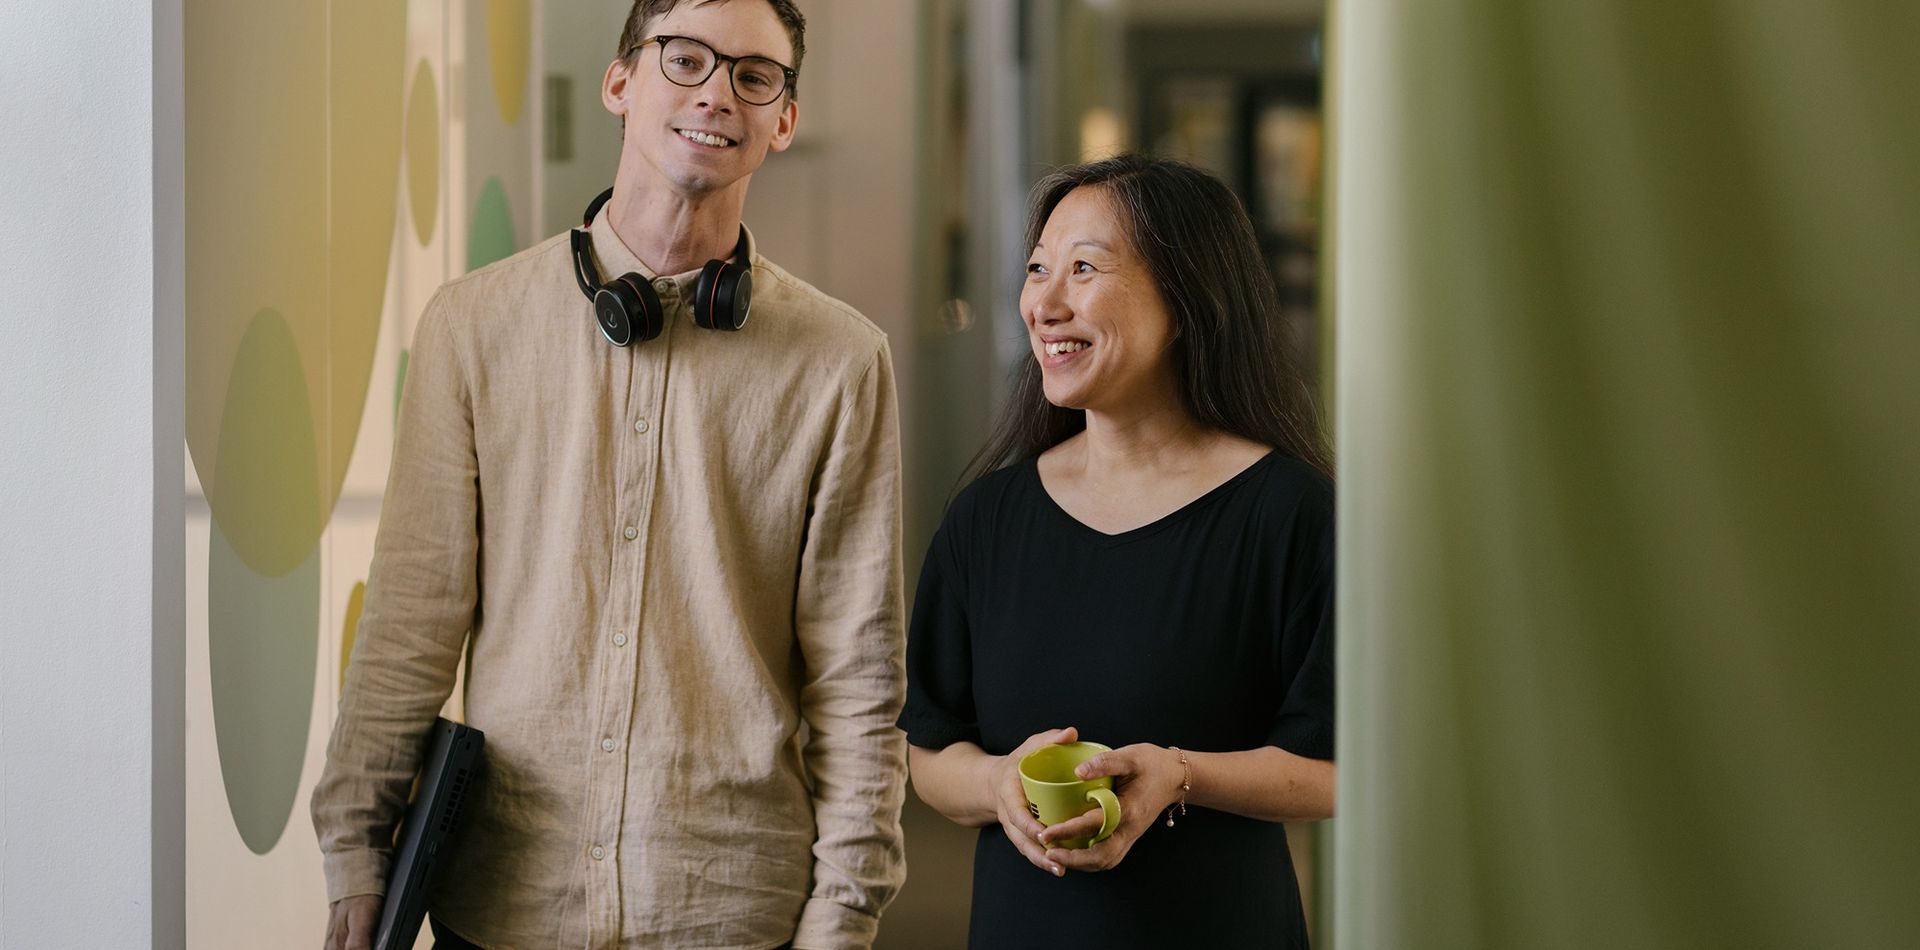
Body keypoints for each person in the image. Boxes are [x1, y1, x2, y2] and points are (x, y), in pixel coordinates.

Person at [312, 2, 908, 948]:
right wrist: (356, 851)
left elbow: (858, 678)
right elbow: (409, 621)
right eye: (685, 59)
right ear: (620, 81)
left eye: (755, 75)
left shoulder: (841, 361)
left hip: (728, 909)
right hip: (504, 901)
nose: (717, 91)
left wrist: (843, 918)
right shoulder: (473, 327)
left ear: (782, 120)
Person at [898, 154, 1336, 948]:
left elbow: (1341, 769)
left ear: (1188, 296)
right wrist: (995, 782)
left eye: (1084, 269)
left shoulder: (1290, 513)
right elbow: (931, 750)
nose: (1046, 303)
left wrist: (1182, 774)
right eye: (1038, 270)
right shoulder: (986, 520)